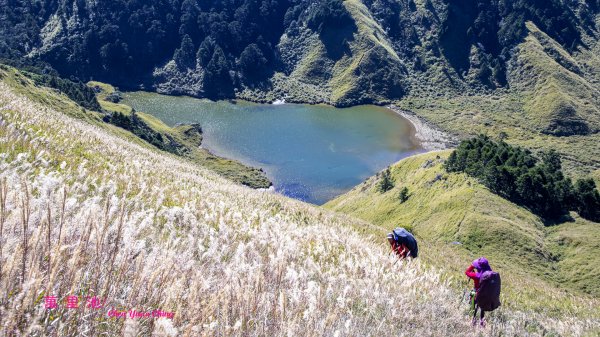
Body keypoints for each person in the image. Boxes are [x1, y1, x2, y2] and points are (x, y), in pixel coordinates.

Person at [465, 257, 492, 327]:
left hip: (477, 292)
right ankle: (481, 322)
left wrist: (472, 265)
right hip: (485, 293)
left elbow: (467, 272)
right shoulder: (489, 275)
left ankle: (473, 319)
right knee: (482, 308)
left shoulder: (476, 275)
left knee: (473, 304)